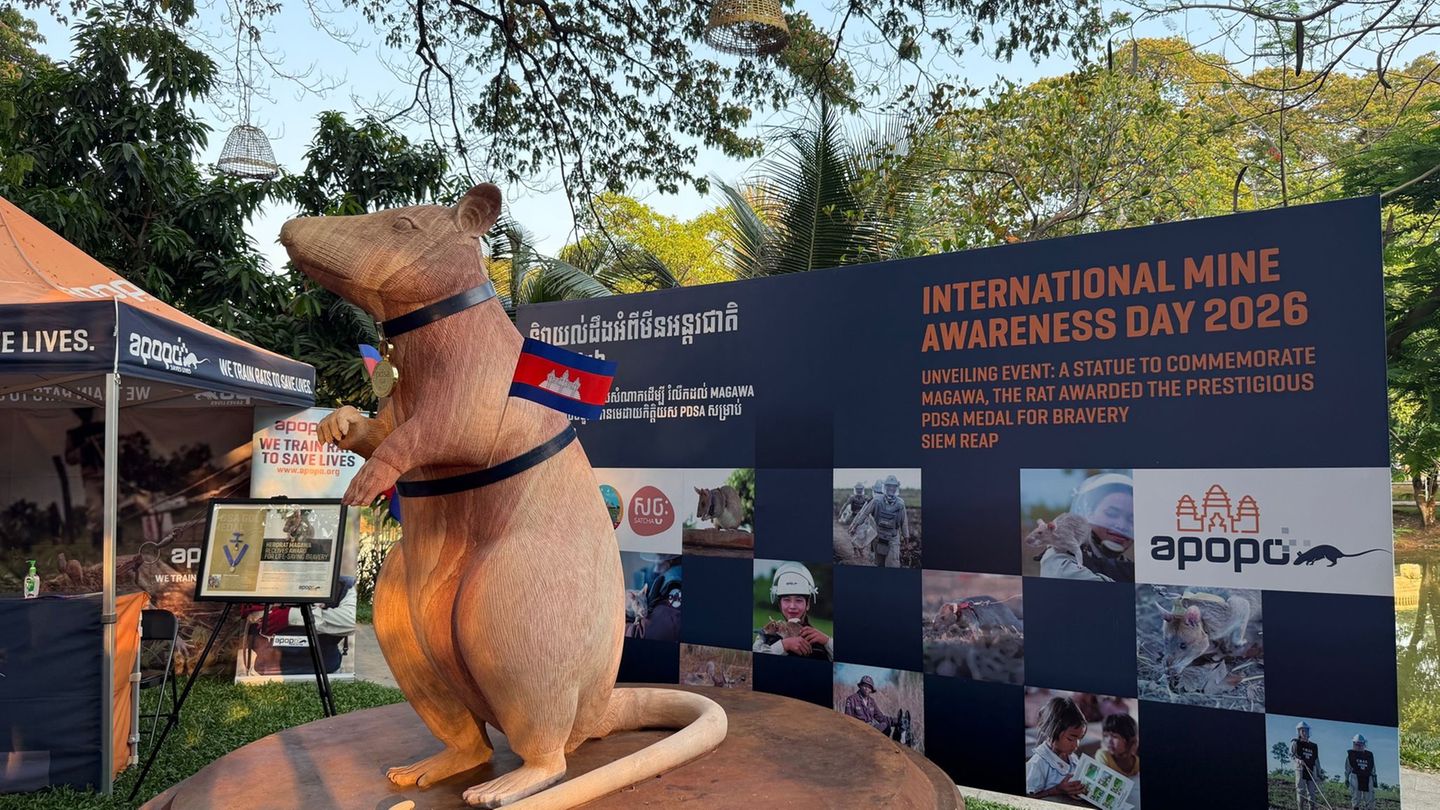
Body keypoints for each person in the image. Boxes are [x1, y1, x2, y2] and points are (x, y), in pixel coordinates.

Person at [1040, 472, 1135, 582]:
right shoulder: (1059, 559)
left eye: (1132, 520)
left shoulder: (1126, 566)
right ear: (1088, 513)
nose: (1121, 525)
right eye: (1111, 514)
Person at [753, 561, 833, 661]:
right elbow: (754, 657)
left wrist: (827, 641)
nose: (792, 606)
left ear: (807, 604)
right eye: (786, 600)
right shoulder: (766, 636)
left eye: (799, 600)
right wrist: (784, 646)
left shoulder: (820, 640)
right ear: (780, 604)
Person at [1026, 696, 1087, 800]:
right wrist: (1057, 790)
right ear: (1051, 731)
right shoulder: (1038, 764)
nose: (1076, 745)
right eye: (1070, 739)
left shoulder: (1073, 758)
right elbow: (1028, 798)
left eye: (1079, 739)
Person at [848, 474, 909, 568]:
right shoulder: (876, 500)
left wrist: (906, 540)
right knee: (879, 564)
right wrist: (854, 526)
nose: (891, 489)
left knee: (892, 564)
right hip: (878, 537)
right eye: (889, 486)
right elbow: (864, 514)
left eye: (893, 486)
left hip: (893, 538)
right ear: (885, 487)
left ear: (896, 487)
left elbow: (904, 522)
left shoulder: (900, 504)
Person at [637, 563, 681, 642]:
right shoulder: (645, 573)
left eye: (661, 558)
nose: (655, 569)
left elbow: (649, 632)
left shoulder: (673, 583)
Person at [1291, 720, 1323, 810]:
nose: (1305, 733)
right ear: (1299, 732)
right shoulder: (1295, 743)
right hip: (1300, 769)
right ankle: (1300, 808)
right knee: (1301, 790)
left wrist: (1319, 774)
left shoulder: (1314, 746)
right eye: (1302, 731)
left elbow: (1317, 760)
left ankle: (1312, 808)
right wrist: (1298, 760)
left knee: (1312, 792)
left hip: (1311, 770)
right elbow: (1292, 755)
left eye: (1306, 731)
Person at [1098, 712, 1139, 778]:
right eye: (1105, 736)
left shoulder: (1136, 763)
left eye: (1114, 736)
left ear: (1129, 740)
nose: (1109, 741)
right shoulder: (1103, 756)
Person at [1345, 733, 1377, 810]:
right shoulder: (1351, 755)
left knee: (1369, 798)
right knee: (1356, 797)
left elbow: (1373, 768)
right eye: (1357, 744)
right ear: (1354, 744)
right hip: (1355, 777)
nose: (1359, 746)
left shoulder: (1369, 755)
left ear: (1364, 744)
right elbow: (1347, 768)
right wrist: (1346, 778)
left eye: (1360, 744)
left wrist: (1375, 779)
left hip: (1368, 777)